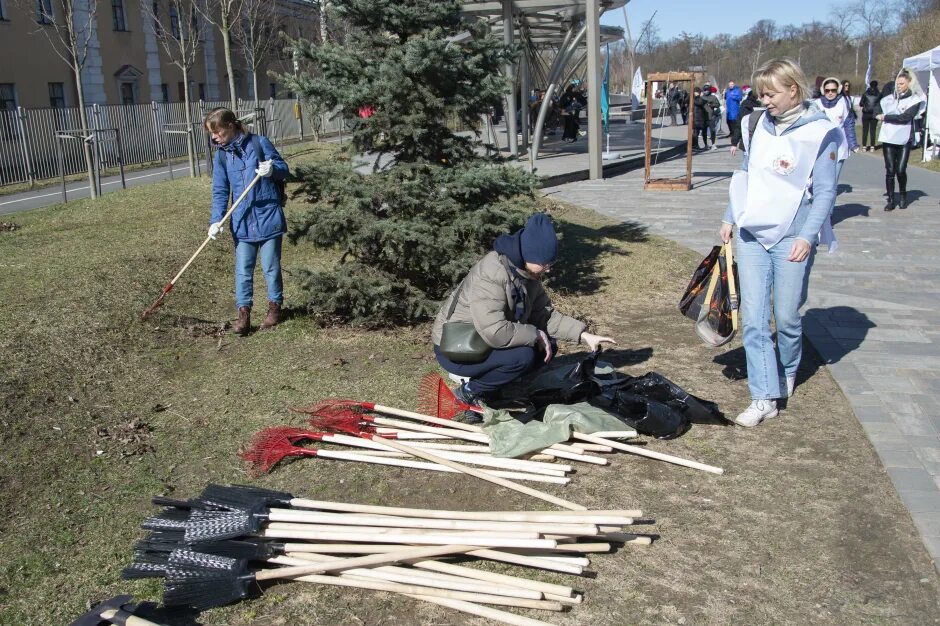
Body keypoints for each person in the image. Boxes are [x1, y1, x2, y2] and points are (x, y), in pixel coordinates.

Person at [718, 59, 842, 427]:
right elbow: (745, 174)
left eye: (771, 93)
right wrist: (729, 216)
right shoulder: (756, 124)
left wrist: (808, 235)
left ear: (794, 89)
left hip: (792, 234)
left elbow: (825, 192)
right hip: (752, 232)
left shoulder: (821, 132)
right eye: (761, 93)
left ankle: (788, 368)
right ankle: (763, 397)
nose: (765, 100)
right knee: (754, 319)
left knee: (786, 316)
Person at [431, 213, 617, 411]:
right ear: (530, 254)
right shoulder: (492, 274)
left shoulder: (527, 274)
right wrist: (535, 334)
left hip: (483, 340)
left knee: (547, 347)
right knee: (523, 356)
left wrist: (583, 334)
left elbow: (543, 315)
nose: (548, 270)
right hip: (457, 347)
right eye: (545, 264)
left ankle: (493, 385)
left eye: (551, 264)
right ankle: (469, 392)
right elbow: (494, 330)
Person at [206, 107, 290, 335]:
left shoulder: (259, 143)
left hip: (268, 216)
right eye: (212, 134)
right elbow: (220, 190)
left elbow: (286, 170)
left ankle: (274, 309)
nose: (214, 137)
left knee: (271, 267)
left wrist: (272, 169)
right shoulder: (222, 156)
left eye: (217, 132)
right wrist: (216, 220)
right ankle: (243, 315)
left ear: (230, 126)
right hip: (242, 220)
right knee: (243, 269)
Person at [876, 69, 926, 211]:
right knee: (890, 170)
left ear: (909, 84)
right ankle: (891, 200)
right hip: (889, 137)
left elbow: (905, 117)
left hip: (904, 139)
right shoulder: (890, 98)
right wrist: (876, 114)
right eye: (897, 83)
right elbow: (877, 108)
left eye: (902, 84)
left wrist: (886, 117)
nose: (899, 86)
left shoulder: (914, 100)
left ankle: (903, 194)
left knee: (901, 169)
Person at [816, 76, 859, 177]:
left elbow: (849, 124)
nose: (830, 93)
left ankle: (832, 192)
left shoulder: (844, 103)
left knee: (833, 178)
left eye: (833, 90)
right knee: (822, 178)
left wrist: (853, 144)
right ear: (823, 91)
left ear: (838, 90)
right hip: (821, 144)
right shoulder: (816, 104)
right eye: (827, 90)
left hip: (840, 144)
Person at [860, 80, 881, 152]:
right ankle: (872, 147)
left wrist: (865, 104)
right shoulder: (879, 94)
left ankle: (864, 147)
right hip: (874, 114)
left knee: (865, 130)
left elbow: (861, 104)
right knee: (873, 130)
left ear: (870, 85)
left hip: (866, 113)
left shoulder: (865, 93)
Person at [702, 83, 722, 150]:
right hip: (704, 117)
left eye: (707, 90)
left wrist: (711, 105)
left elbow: (718, 104)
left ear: (709, 90)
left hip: (711, 116)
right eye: (705, 90)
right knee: (704, 132)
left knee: (712, 131)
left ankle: (713, 144)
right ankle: (705, 144)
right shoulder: (702, 97)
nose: (706, 91)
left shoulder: (713, 97)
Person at [725, 80, 744, 147]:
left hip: (735, 111)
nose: (731, 85)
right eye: (730, 84)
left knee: (735, 126)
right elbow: (725, 98)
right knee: (729, 123)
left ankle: (736, 139)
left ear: (734, 84)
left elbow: (740, 98)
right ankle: (732, 135)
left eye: (732, 84)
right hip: (729, 111)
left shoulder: (737, 90)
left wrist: (733, 96)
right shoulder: (727, 91)